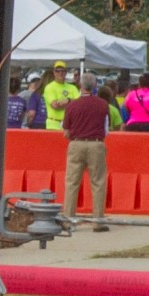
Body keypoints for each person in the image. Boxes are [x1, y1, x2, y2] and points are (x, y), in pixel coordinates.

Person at [61, 78, 113, 230]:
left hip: (76, 143)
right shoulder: (103, 105)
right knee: (98, 182)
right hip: (96, 143)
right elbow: (106, 129)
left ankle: (68, 219)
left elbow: (66, 132)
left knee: (72, 183)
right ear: (95, 86)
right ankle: (98, 220)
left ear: (80, 86)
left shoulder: (72, 105)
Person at [42, 61, 80, 133]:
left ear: (66, 72)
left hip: (69, 125)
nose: (60, 73)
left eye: (63, 71)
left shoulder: (72, 87)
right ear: (54, 72)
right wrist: (72, 103)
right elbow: (55, 106)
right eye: (57, 71)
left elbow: (79, 104)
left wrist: (67, 100)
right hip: (53, 124)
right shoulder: (49, 87)